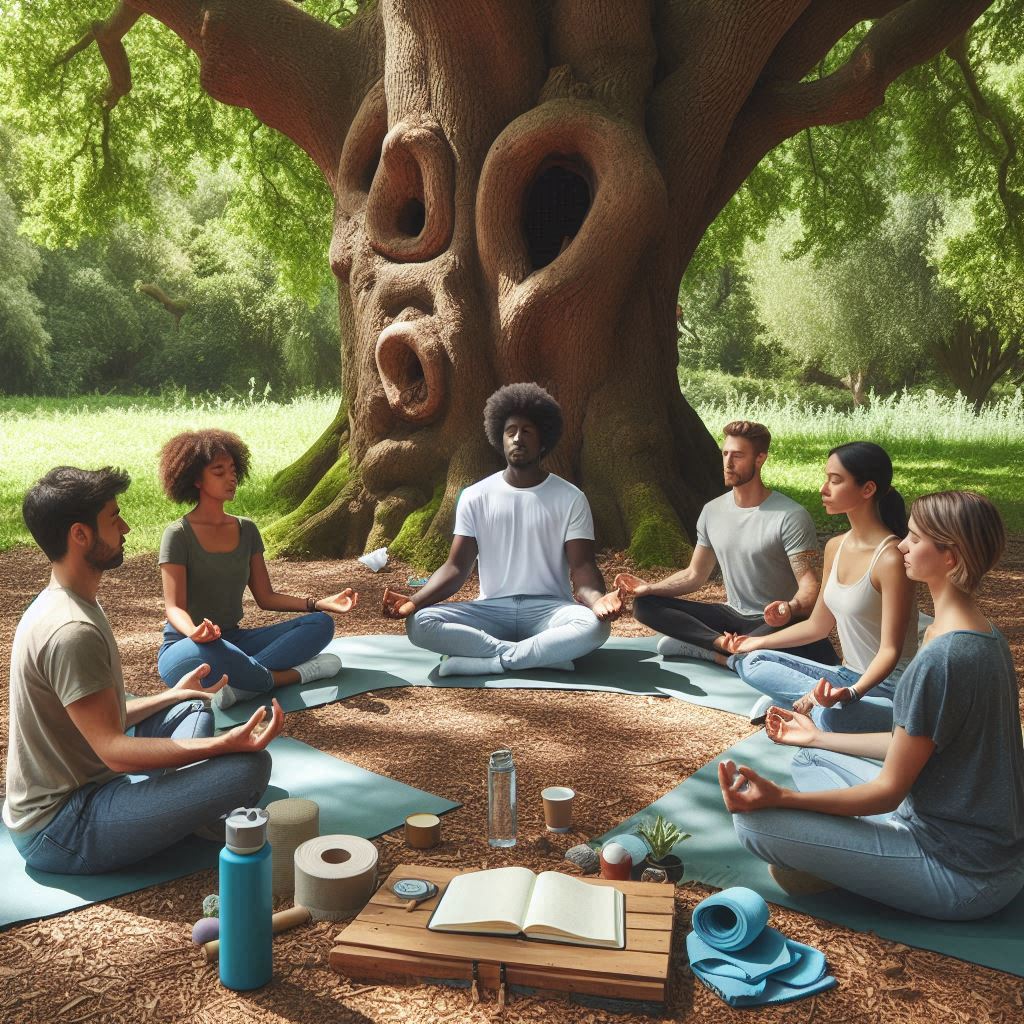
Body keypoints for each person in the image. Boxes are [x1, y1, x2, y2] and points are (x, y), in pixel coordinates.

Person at [720, 491, 1024, 920]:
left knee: (753, 824)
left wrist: (781, 799)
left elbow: (887, 793)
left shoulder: (942, 658)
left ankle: (846, 860)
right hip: (982, 845)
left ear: (950, 557)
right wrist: (819, 735)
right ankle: (846, 853)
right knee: (811, 755)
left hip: (963, 875)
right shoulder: (984, 635)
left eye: (914, 539)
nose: (901, 545)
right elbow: (913, 745)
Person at [4, 466, 284, 875]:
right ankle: (183, 808)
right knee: (249, 768)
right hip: (64, 828)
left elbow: (100, 721)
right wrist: (223, 747)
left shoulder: (70, 600)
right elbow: (113, 751)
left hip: (96, 788)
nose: (126, 527)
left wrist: (175, 694)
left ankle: (175, 804)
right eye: (114, 518)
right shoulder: (71, 630)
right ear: (80, 534)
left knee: (192, 707)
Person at [381, 383, 621, 675]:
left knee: (595, 628)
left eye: (527, 431)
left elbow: (582, 566)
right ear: (500, 438)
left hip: (549, 610)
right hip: (491, 609)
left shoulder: (570, 497)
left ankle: (490, 660)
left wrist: (598, 601)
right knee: (419, 624)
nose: (518, 438)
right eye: (511, 431)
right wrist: (414, 600)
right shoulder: (475, 495)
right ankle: (538, 656)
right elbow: (456, 568)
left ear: (543, 441)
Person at [157, 429, 359, 709]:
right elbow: (174, 608)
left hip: (235, 641)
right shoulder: (178, 534)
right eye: (219, 471)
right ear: (195, 480)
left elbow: (265, 597)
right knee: (216, 650)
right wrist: (194, 632)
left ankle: (240, 686)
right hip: (189, 647)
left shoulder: (247, 529)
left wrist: (318, 603)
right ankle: (291, 676)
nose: (231, 478)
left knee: (321, 623)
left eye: (232, 470)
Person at [725, 442, 917, 731]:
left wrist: (851, 694)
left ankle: (812, 707)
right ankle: (807, 704)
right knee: (752, 660)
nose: (823, 489)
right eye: (826, 478)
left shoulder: (890, 558)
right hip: (845, 674)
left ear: (868, 489)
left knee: (831, 716)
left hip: (889, 688)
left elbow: (890, 651)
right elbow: (817, 626)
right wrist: (756, 641)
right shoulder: (835, 546)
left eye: (835, 480)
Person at [617, 420, 838, 668]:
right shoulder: (712, 511)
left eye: (738, 456)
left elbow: (810, 587)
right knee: (645, 605)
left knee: (808, 653)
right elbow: (694, 575)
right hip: (731, 614)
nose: (728, 463)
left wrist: (790, 607)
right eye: (725, 454)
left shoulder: (789, 515)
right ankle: (720, 645)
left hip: (775, 622)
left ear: (760, 458)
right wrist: (650, 588)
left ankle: (710, 652)